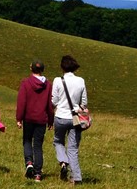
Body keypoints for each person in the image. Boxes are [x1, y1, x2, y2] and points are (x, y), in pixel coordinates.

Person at [51, 55, 88, 184]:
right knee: (73, 149)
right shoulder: (81, 81)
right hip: (75, 119)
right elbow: (84, 102)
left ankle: (63, 162)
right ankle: (76, 177)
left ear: (62, 67)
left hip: (60, 116)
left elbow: (54, 101)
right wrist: (78, 107)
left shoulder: (57, 80)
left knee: (58, 142)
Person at [16, 61, 54, 182]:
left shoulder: (26, 83)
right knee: (38, 145)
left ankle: (29, 163)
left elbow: (22, 102)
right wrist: (51, 120)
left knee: (27, 140)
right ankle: (38, 174)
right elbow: (50, 105)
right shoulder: (48, 85)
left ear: (31, 68)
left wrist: (19, 118)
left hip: (28, 118)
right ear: (42, 70)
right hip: (42, 119)